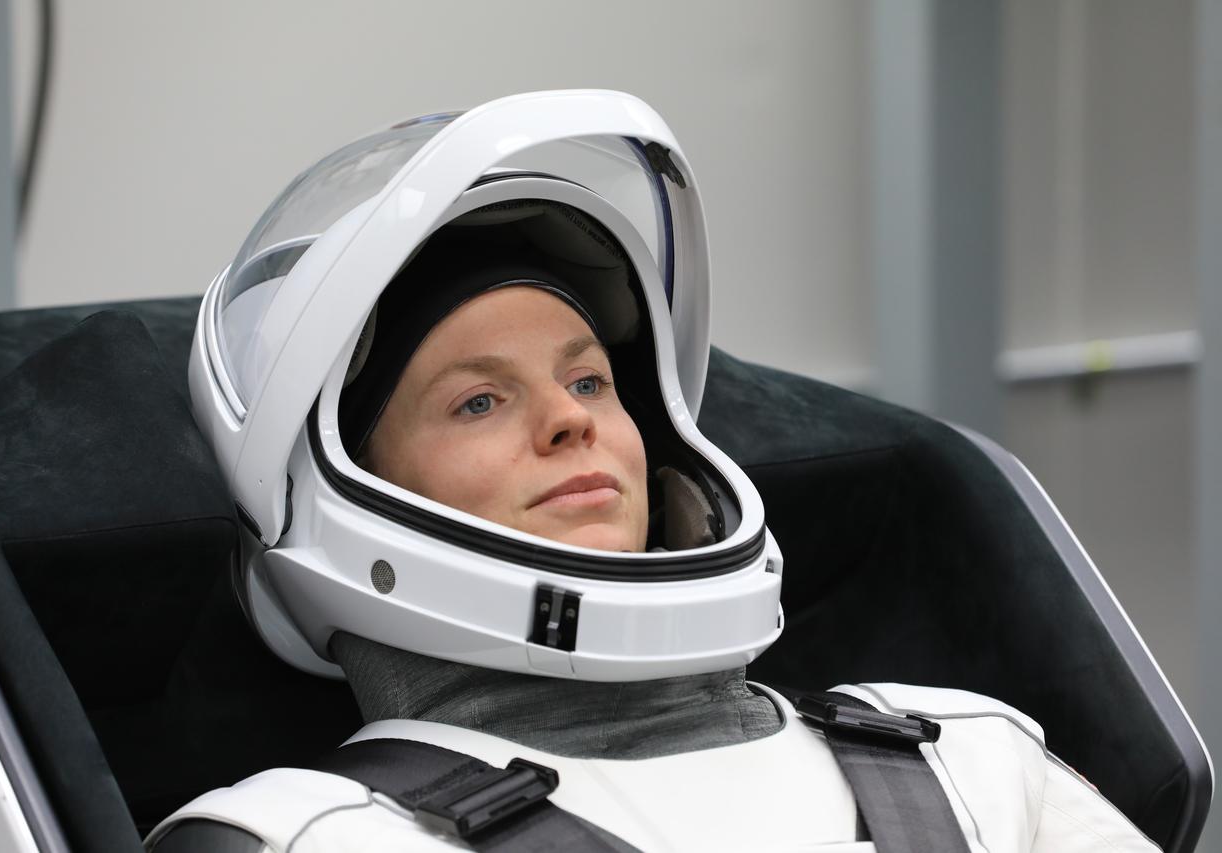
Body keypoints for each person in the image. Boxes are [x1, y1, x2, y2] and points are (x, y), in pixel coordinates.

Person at [154, 91, 1159, 851]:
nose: (566, 421)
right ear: (337, 486)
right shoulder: (303, 840)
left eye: (590, 381)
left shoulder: (967, 757)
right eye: (478, 399)